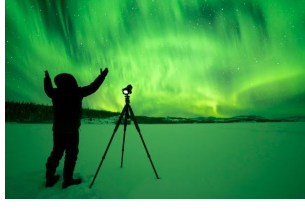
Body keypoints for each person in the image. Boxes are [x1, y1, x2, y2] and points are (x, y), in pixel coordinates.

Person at [43, 68, 109, 189]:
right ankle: (67, 179)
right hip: (72, 131)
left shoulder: (55, 93)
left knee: (56, 154)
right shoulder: (76, 92)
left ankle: (50, 179)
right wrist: (102, 76)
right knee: (71, 155)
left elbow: (47, 90)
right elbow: (93, 87)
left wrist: (47, 79)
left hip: (58, 130)